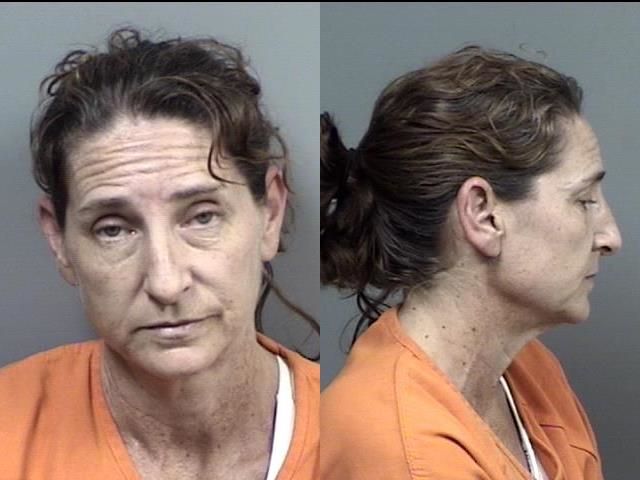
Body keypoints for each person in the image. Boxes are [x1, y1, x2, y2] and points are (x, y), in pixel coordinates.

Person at [0, 28, 318, 480]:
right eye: (113, 229)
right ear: (59, 240)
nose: (166, 284)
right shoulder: (10, 432)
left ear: (270, 213)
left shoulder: (356, 436)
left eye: (202, 217)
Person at [320, 46, 621, 480]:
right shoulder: (400, 455)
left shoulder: (531, 370)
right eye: (584, 200)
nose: (611, 238)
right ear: (483, 215)